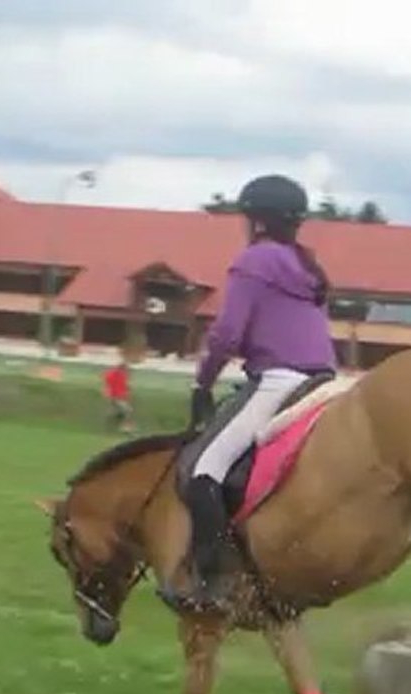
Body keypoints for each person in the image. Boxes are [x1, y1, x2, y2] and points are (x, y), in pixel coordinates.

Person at [165, 174, 338, 611]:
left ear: (257, 221)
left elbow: (226, 334)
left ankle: (213, 581)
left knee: (204, 470)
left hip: (280, 380)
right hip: (324, 383)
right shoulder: (306, 266)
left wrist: (202, 382)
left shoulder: (256, 259)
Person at [102, 360, 134, 433]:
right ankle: (126, 427)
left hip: (116, 396)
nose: (127, 371)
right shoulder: (115, 375)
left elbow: (125, 386)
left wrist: (127, 392)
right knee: (128, 410)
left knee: (116, 410)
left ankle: (112, 421)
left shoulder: (121, 375)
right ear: (122, 368)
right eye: (126, 369)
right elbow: (111, 385)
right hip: (116, 397)